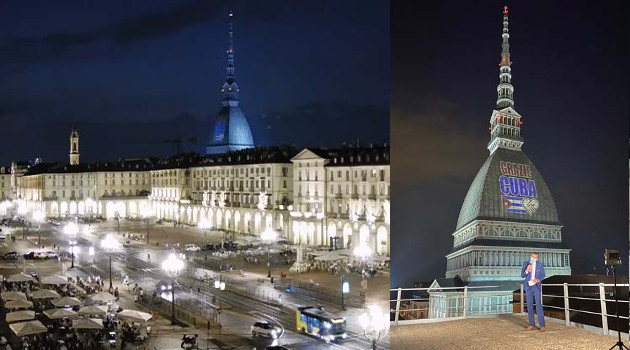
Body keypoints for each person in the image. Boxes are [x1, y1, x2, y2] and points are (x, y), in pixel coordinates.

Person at [521, 252, 546, 331]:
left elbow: (543, 275)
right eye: (533, 257)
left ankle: (542, 326)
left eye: (536, 257)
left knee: (538, 305)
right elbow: (522, 275)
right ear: (530, 257)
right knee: (529, 306)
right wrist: (527, 270)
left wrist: (538, 280)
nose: (534, 258)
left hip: (536, 286)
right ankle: (531, 325)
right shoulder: (526, 263)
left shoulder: (539, 265)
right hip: (528, 287)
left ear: (537, 258)